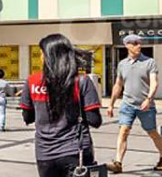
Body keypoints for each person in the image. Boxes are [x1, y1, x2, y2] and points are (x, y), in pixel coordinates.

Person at [20, 34, 102, 177]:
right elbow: (94, 120)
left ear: (49, 56)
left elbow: (27, 117)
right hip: (76, 152)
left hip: (45, 154)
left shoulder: (32, 81)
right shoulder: (81, 81)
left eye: (41, 53)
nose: (40, 57)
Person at [107, 34, 162, 174]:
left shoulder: (149, 62)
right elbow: (118, 84)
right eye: (135, 43)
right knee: (123, 131)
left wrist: (149, 98)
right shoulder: (122, 64)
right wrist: (111, 104)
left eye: (140, 43)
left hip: (145, 105)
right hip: (127, 104)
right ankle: (118, 163)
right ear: (127, 45)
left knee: (152, 132)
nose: (139, 45)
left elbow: (154, 82)